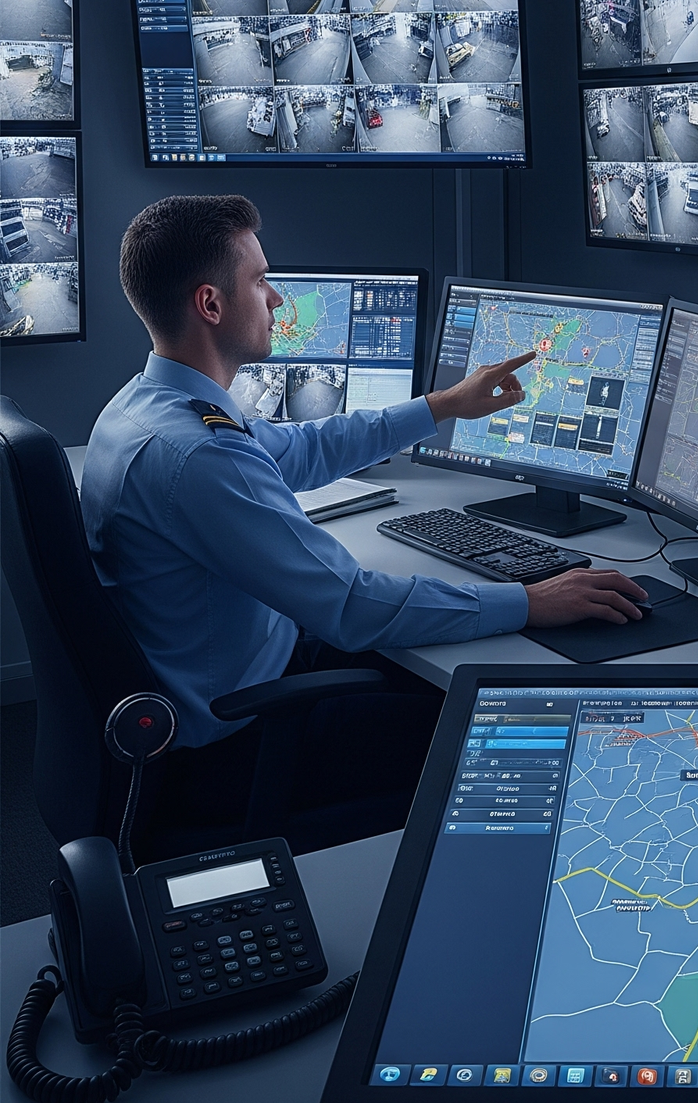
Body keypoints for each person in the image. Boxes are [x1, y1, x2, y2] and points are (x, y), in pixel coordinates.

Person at [82, 194, 648, 759]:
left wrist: (442, 405)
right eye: (260, 281)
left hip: (238, 670)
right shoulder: (200, 456)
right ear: (210, 304)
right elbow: (352, 607)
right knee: (491, 728)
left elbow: (304, 448)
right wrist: (528, 601)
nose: (276, 298)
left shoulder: (144, 406)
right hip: (241, 732)